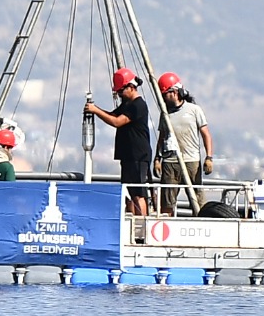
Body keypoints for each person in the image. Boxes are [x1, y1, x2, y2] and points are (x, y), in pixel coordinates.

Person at [84, 67, 153, 217]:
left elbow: (117, 121)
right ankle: (131, 223)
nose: (120, 94)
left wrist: (95, 110)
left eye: (121, 91)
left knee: (138, 193)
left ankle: (142, 226)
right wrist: (95, 109)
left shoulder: (138, 105)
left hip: (138, 156)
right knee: (128, 192)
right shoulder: (126, 105)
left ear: (131, 87)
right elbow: (112, 115)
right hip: (127, 156)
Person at [154, 72, 215, 214]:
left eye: (165, 94)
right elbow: (162, 137)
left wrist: (209, 157)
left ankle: (200, 225)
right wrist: (157, 159)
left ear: (174, 92)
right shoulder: (165, 114)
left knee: (197, 200)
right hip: (170, 162)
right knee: (167, 202)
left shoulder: (194, 110)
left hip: (191, 161)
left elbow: (205, 134)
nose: (163, 98)